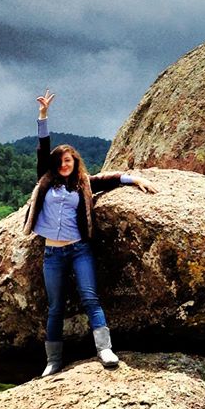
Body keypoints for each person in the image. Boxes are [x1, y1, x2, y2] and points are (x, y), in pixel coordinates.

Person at [25, 90, 156, 377]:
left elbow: (108, 179)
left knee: (90, 298)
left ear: (75, 162)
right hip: (52, 253)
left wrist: (135, 179)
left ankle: (104, 350)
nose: (64, 164)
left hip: (78, 249)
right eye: (60, 161)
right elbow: (42, 146)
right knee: (55, 307)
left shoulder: (83, 183)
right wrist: (43, 115)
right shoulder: (45, 180)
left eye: (68, 161)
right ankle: (53, 361)